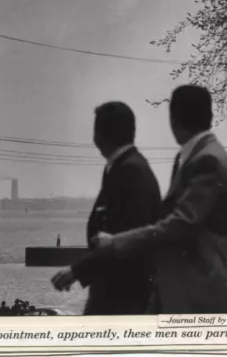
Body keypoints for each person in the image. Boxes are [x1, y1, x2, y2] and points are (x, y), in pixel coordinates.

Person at [94, 85, 227, 314]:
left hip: (206, 292)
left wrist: (117, 241)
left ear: (174, 119)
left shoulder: (205, 160)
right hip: (201, 288)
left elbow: (181, 223)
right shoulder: (202, 155)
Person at [52, 101, 161, 315]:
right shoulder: (124, 167)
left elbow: (128, 239)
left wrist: (77, 271)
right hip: (115, 291)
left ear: (100, 134)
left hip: (122, 296)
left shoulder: (130, 171)